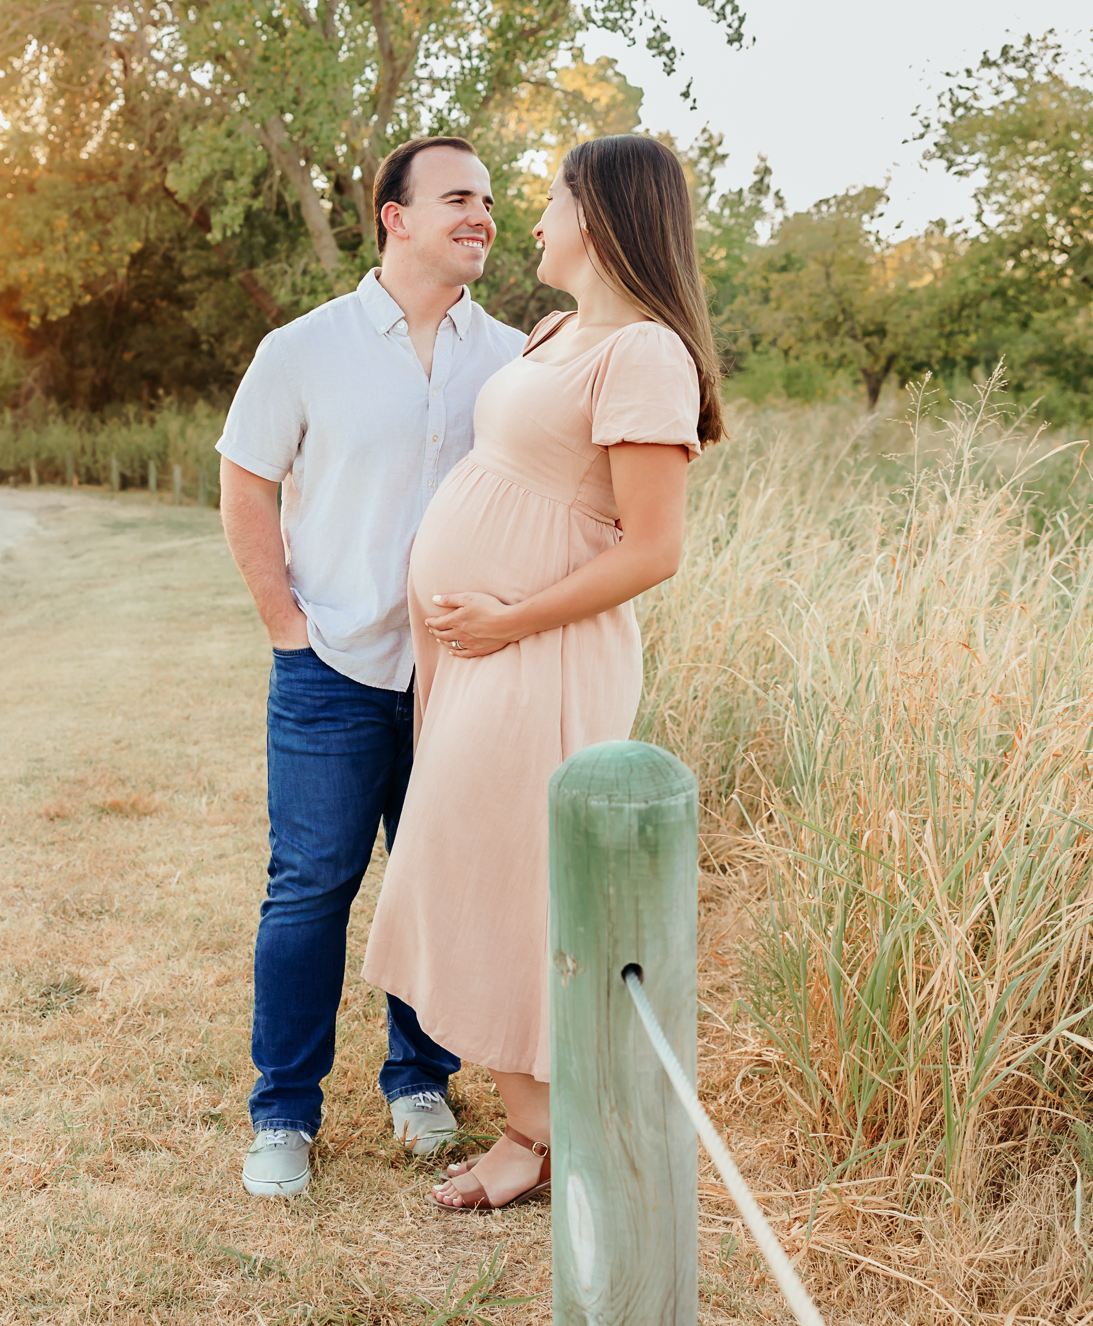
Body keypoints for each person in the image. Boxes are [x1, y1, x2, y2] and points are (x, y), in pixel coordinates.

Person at [361, 134, 727, 1211]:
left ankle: (534, 1138)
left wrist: (509, 618)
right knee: (474, 866)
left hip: (543, 657)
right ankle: (537, 1118)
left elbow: (651, 549)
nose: (531, 220)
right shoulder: (560, 333)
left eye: (552, 198)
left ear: (601, 214)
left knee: (508, 880)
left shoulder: (644, 355)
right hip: (484, 652)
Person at [217, 136, 530, 1198]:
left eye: (487, 200)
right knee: (309, 887)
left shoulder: (513, 359)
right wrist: (283, 624)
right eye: (456, 198)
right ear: (392, 216)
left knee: (435, 880)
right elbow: (247, 484)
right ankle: (282, 1114)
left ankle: (419, 1080)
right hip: (333, 664)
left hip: (461, 672)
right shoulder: (302, 348)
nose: (480, 215)